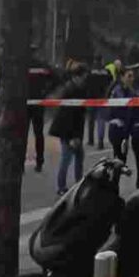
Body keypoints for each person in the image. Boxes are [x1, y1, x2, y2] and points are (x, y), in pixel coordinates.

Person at [48, 62, 90, 195]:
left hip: (73, 129)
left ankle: (77, 184)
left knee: (78, 156)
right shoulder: (72, 90)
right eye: (84, 77)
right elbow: (68, 116)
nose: (85, 80)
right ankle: (62, 187)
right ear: (77, 77)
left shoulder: (76, 88)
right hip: (67, 130)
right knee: (67, 157)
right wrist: (72, 137)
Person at [25, 48, 55, 173]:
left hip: (25, 102)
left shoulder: (23, 65)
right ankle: (39, 161)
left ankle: (20, 163)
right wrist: (46, 92)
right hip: (38, 102)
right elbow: (55, 78)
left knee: (22, 134)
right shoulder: (42, 65)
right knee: (38, 134)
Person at [106, 64, 135, 163]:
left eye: (132, 76)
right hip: (117, 128)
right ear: (122, 77)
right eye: (129, 76)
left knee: (122, 159)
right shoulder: (117, 90)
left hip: (125, 129)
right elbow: (117, 108)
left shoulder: (131, 91)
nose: (132, 79)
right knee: (118, 159)